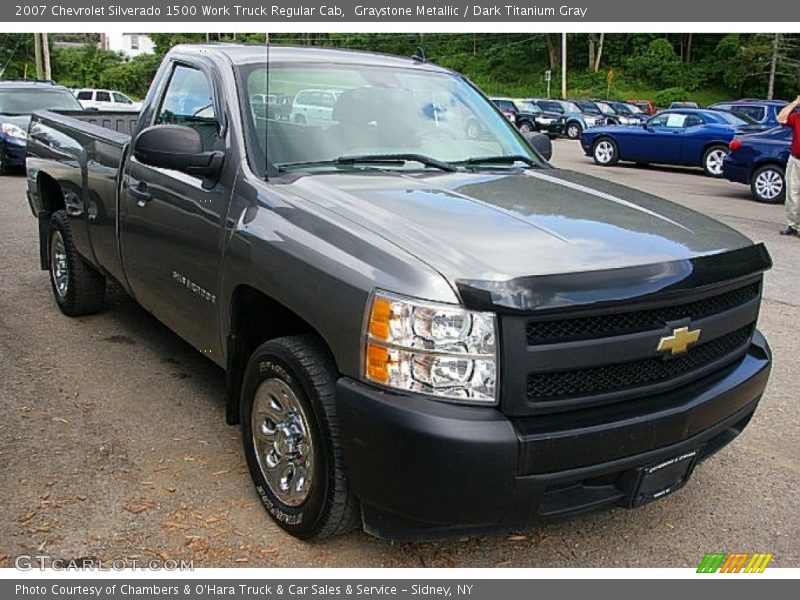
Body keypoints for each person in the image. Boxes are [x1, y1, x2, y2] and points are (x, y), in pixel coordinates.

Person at [777, 96, 800, 236]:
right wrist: (795, 103)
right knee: (792, 193)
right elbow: (781, 118)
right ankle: (793, 225)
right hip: (796, 159)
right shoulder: (797, 118)